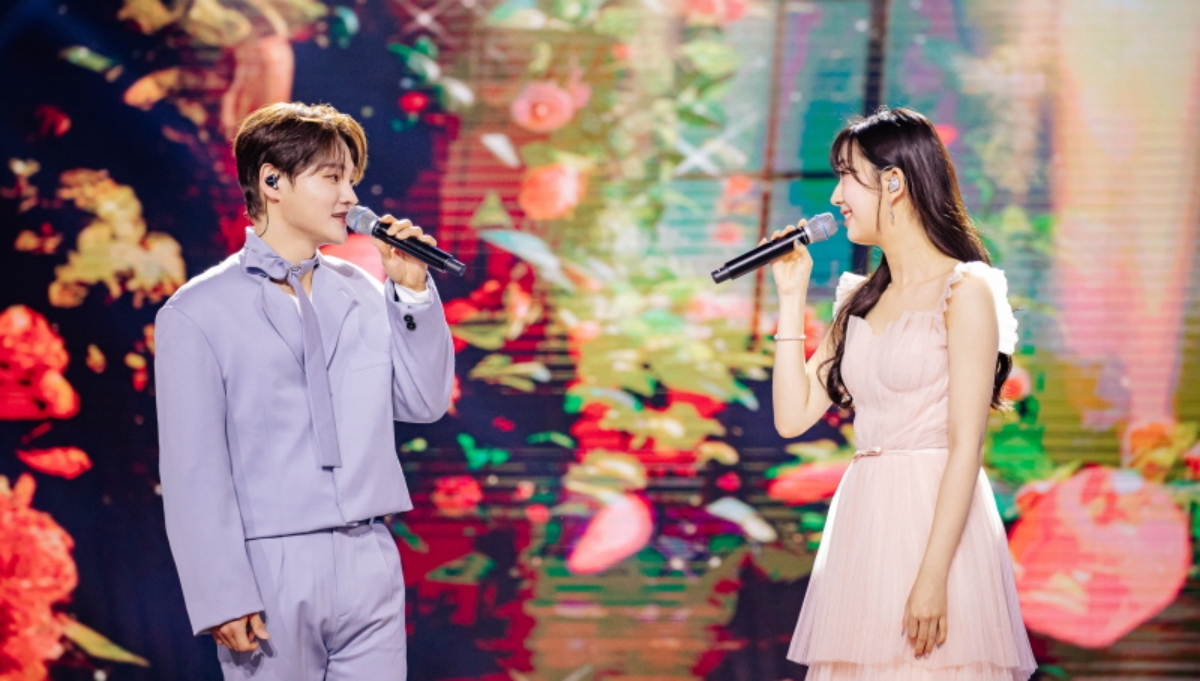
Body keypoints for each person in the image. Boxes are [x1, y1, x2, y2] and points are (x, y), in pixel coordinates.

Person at [154, 101, 454, 680]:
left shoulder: (363, 290)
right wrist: (221, 592)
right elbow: (193, 468)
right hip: (269, 559)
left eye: (352, 180)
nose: (351, 197)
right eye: (332, 178)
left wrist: (413, 293)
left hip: (369, 554)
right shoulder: (198, 311)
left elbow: (423, 402)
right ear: (272, 182)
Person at [767, 107, 1036, 680]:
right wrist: (790, 297)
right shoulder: (859, 300)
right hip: (866, 521)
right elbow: (792, 416)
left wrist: (933, 577)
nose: (836, 196)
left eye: (847, 176)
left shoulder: (965, 290)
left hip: (934, 522)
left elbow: (966, 446)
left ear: (893, 181)